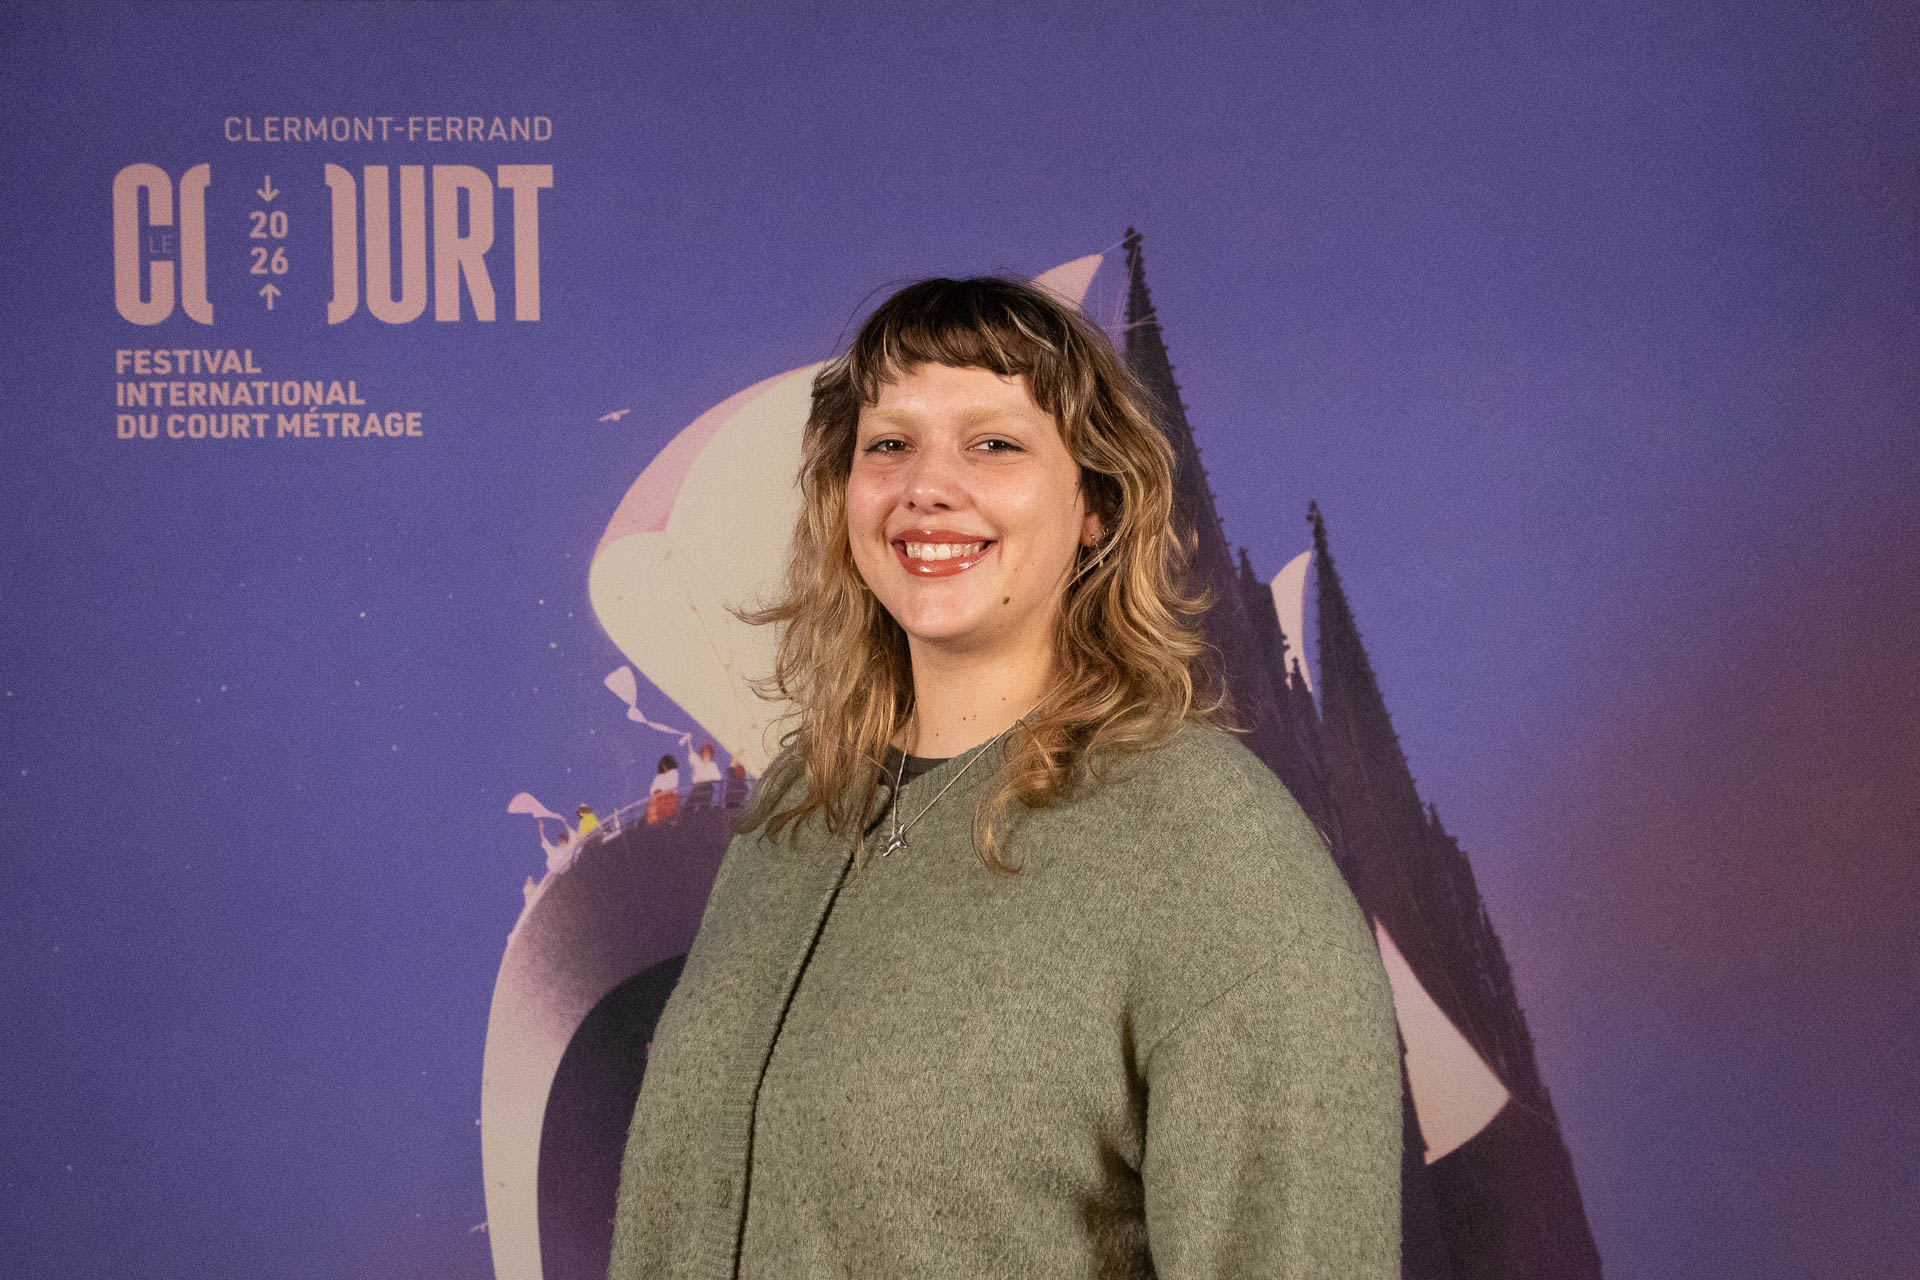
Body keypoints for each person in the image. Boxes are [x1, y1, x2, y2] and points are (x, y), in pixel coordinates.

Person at [609, 277, 1400, 1277]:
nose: (925, 487)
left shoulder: (1213, 845)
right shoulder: (799, 803)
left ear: (1095, 506)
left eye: (993, 443)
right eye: (888, 444)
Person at [645, 754, 681, 825]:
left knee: (667, 815)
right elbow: (652, 789)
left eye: (665, 764)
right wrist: (658, 791)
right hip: (657, 798)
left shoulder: (674, 773)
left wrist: (660, 790)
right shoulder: (658, 777)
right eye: (663, 764)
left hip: (668, 797)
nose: (664, 766)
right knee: (654, 813)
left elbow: (672, 785)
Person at [687, 743, 723, 809]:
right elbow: (692, 755)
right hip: (697, 786)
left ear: (711, 754)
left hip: (707, 787)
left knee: (704, 807)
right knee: (690, 805)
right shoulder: (698, 762)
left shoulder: (713, 765)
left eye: (708, 752)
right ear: (702, 753)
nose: (706, 753)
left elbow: (718, 777)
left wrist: (707, 778)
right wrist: (690, 745)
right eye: (704, 751)